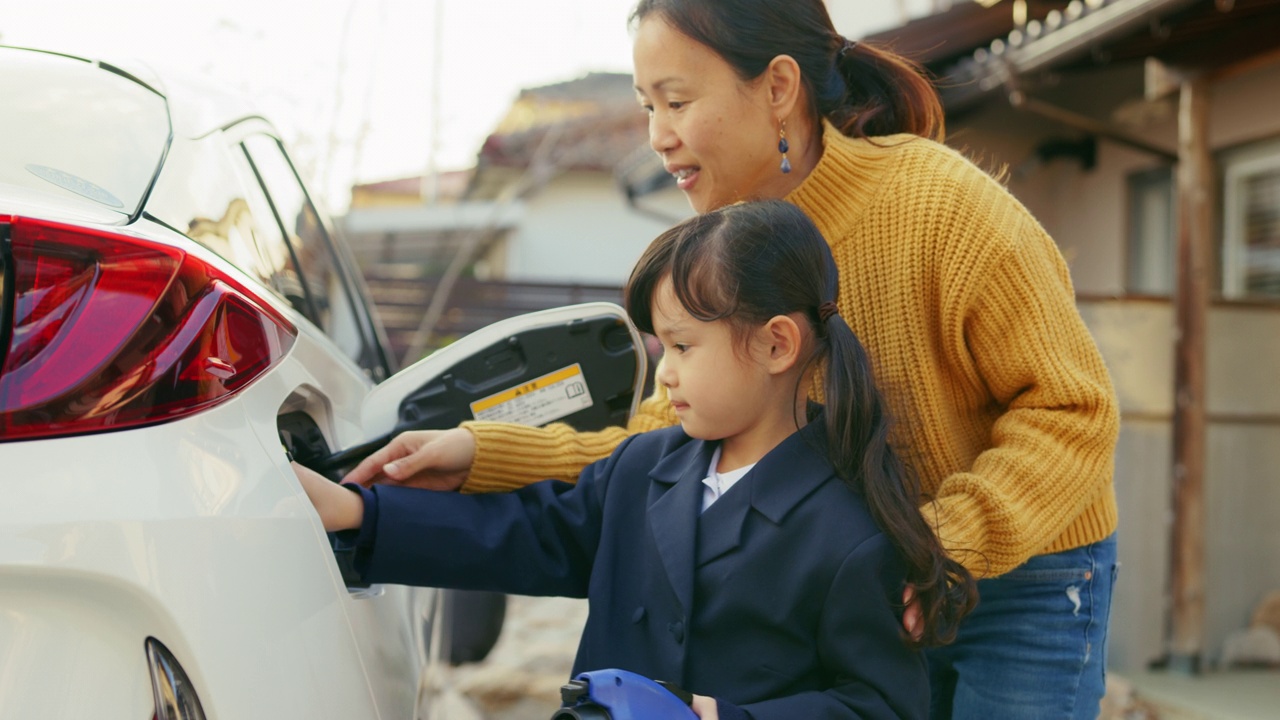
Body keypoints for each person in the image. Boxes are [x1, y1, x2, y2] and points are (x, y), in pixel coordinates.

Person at [344, 1, 1122, 717]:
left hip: (1022, 576)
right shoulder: (730, 253)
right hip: (870, 573)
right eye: (648, 107)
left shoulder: (944, 207)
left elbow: (1072, 408)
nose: (656, 135)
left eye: (677, 102)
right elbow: (656, 449)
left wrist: (942, 546)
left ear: (778, 87)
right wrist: (482, 453)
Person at [296, 200, 977, 720]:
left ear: (776, 345)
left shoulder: (851, 529)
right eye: (660, 347)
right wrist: (358, 512)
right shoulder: (646, 465)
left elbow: (879, 708)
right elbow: (524, 533)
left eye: (683, 346)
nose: (665, 371)